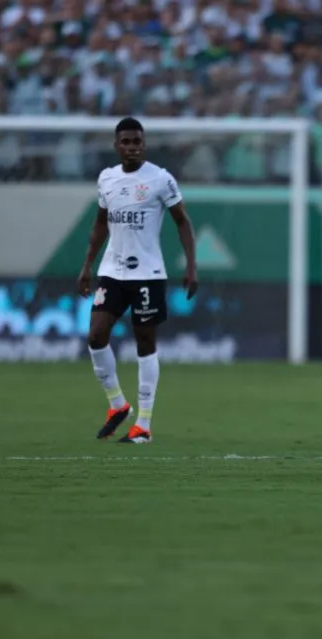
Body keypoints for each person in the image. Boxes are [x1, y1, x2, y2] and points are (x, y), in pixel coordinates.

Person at [77, 117, 197, 444]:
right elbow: (101, 222)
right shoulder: (107, 178)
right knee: (96, 335)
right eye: (126, 141)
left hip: (148, 273)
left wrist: (191, 266)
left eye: (137, 141)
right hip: (112, 271)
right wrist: (87, 265)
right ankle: (117, 404)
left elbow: (182, 222)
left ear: (144, 144)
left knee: (145, 343)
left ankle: (143, 424)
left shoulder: (160, 179)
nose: (132, 147)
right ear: (116, 145)